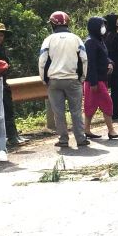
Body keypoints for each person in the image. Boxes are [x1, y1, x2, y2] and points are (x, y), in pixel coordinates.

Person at [38, 11, 89, 148]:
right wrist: (82, 78)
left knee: (58, 112)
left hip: (54, 81)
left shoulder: (48, 40)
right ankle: (80, 139)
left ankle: (63, 140)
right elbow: (84, 59)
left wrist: (44, 80)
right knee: (76, 111)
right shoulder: (76, 39)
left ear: (53, 24)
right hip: (73, 80)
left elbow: (42, 61)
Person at [83, 16, 118, 140]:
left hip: (100, 79)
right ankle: (111, 130)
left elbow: (104, 56)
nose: (104, 28)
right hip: (95, 80)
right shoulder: (90, 42)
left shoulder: (99, 40)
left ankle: (87, 130)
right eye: (101, 26)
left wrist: (109, 62)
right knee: (106, 103)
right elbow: (91, 63)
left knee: (91, 105)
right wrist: (93, 82)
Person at [103, 14, 118, 122]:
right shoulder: (117, 36)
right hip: (117, 65)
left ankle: (106, 111)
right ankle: (114, 113)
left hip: (105, 65)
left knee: (104, 90)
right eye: (117, 22)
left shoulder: (103, 36)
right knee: (116, 91)